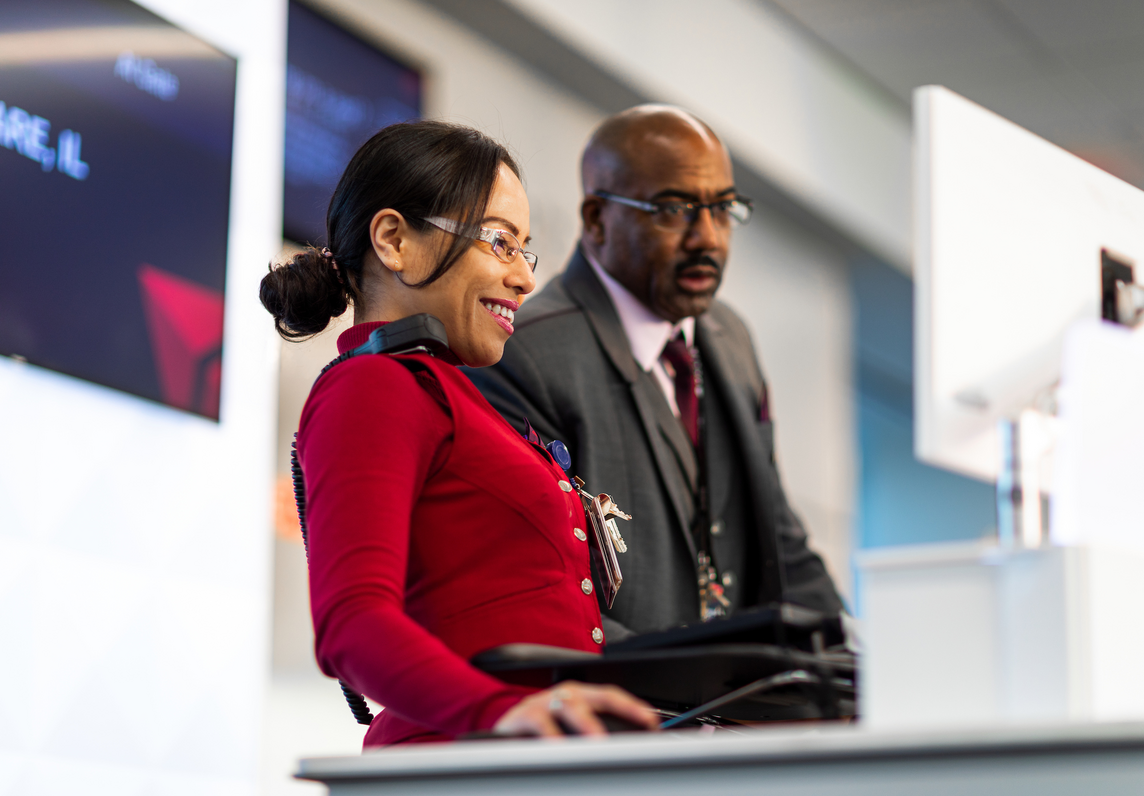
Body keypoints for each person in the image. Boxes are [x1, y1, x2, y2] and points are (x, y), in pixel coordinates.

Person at [259, 120, 658, 747]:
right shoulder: (374, 388)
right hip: (458, 768)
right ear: (394, 240)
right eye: (500, 243)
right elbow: (353, 626)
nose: (525, 278)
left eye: (524, 251)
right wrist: (500, 712)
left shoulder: (456, 397)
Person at [467, 105, 843, 640]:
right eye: (674, 209)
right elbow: (533, 589)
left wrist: (865, 669)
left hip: (743, 714)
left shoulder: (729, 338)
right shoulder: (525, 354)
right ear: (596, 219)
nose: (708, 237)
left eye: (722, 209)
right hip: (624, 712)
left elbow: (779, 540)